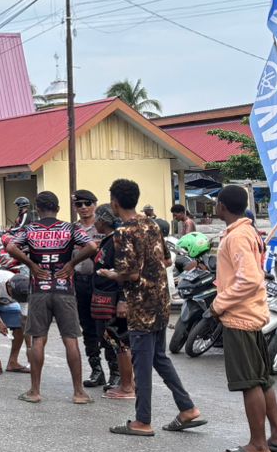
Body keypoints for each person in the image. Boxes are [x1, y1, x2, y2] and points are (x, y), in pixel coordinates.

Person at [100, 177, 205, 438]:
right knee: (158, 357)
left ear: (114, 202)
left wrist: (111, 274)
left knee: (143, 362)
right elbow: (167, 261)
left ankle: (142, 420)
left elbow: (129, 273)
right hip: (160, 300)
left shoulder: (123, 232)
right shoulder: (152, 225)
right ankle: (187, 408)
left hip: (141, 305)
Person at [212, 185, 277, 452]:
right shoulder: (245, 232)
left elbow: (248, 279)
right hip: (252, 312)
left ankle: (258, 445)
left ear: (222, 205)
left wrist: (219, 303)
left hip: (240, 315)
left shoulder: (238, 236)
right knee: (262, 380)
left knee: (250, 382)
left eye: (216, 202)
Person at [4, 191, 96, 404]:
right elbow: (91, 246)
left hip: (39, 289)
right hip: (65, 289)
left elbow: (10, 246)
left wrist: (32, 265)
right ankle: (79, 393)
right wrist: (71, 264)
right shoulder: (69, 228)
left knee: (38, 339)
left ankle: (34, 392)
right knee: (70, 340)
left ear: (37, 208)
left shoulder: (30, 229)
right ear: (58, 208)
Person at [92, 205, 136, 399]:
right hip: (105, 297)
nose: (94, 222)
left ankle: (127, 385)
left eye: (96, 218)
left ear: (102, 220)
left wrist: (122, 299)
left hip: (114, 299)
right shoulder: (109, 240)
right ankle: (126, 382)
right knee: (112, 339)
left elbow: (124, 273)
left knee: (120, 341)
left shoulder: (117, 241)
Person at [70, 189, 107, 388]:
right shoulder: (72, 229)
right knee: (87, 327)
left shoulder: (104, 225)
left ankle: (116, 371)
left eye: (87, 203)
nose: (83, 208)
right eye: (79, 204)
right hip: (80, 281)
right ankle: (96, 370)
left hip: (102, 281)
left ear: (95, 204)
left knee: (107, 327)